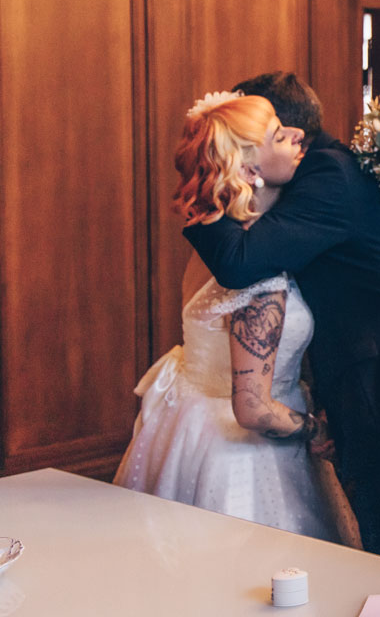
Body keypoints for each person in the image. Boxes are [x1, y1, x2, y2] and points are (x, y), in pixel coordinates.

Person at [182, 72, 380, 573]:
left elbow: (239, 263)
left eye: (260, 132)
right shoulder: (329, 172)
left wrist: (199, 192)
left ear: (290, 131)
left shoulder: (329, 179)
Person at [114, 92, 339, 541]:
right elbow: (253, 408)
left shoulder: (215, 245)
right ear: (252, 170)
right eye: (279, 133)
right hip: (245, 456)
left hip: (183, 430)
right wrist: (316, 429)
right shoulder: (258, 270)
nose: (296, 136)